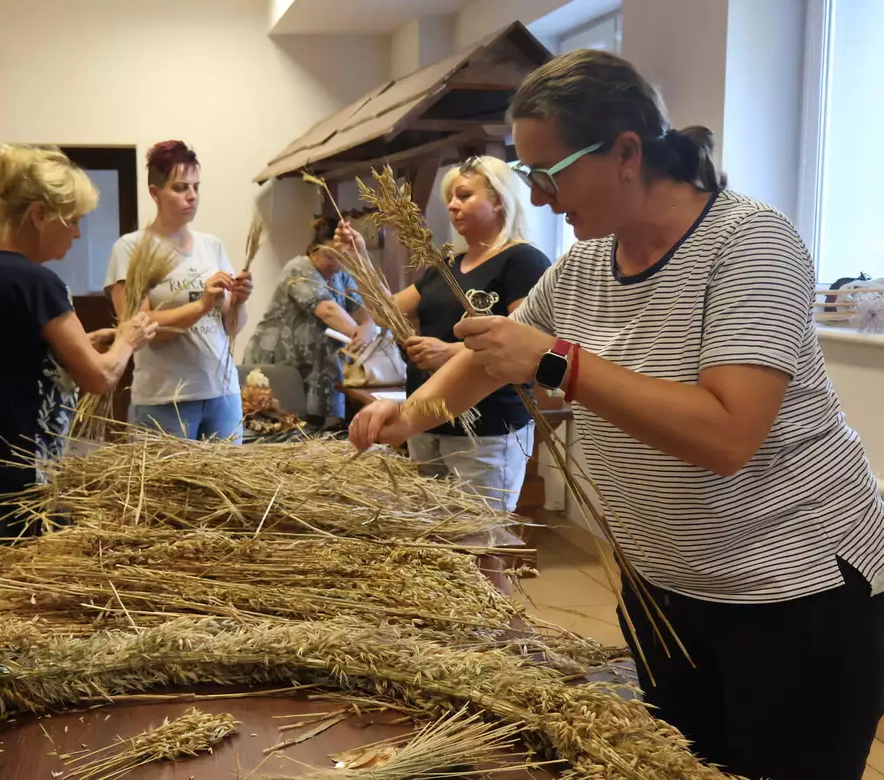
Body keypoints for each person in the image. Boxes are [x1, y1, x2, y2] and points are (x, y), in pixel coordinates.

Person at [349, 49, 884, 780]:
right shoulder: (584, 266)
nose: (538, 199)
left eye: (548, 174)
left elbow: (728, 435)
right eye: (529, 176)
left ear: (627, 152)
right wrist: (405, 418)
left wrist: (557, 361)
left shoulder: (751, 245)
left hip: (793, 594)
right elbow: (490, 356)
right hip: (665, 586)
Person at [0, 145, 156, 539]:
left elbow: (0, 351)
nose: (78, 233)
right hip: (8, 468)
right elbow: (100, 377)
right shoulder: (35, 281)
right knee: (22, 585)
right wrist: (128, 339)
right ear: (40, 215)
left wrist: (79, 343)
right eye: (73, 220)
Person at [336, 157, 550, 512]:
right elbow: (384, 312)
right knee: (436, 539)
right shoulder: (446, 266)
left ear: (498, 199)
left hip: (487, 426)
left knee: (481, 537)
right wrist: (359, 260)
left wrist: (449, 352)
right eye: (449, 197)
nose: (452, 205)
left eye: (464, 195)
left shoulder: (522, 261)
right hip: (427, 418)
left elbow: (523, 343)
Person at [106, 141, 252, 442]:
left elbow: (230, 327)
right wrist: (201, 305)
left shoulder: (211, 246)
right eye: (180, 187)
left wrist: (239, 300)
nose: (192, 196)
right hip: (164, 399)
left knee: (228, 486)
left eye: (196, 187)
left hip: (222, 394)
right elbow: (139, 329)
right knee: (166, 489)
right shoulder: (131, 249)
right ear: (155, 193)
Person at [244, 216, 377, 426]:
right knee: (284, 428)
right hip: (282, 362)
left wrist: (368, 331)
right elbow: (327, 310)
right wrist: (357, 336)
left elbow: (365, 316)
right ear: (315, 249)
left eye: (342, 257)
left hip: (319, 367)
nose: (337, 263)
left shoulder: (342, 277)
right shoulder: (298, 268)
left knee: (318, 431)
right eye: (331, 256)